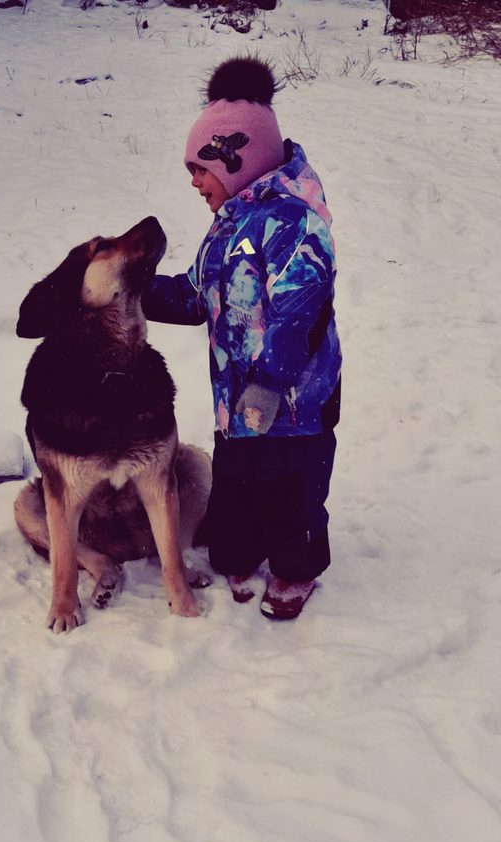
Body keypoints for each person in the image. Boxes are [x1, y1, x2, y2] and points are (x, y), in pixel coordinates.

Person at [142, 57, 342, 620]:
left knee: (291, 496)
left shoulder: (297, 222)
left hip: (295, 406)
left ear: (236, 157)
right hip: (236, 404)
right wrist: (133, 291)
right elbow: (196, 296)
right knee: (240, 498)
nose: (194, 181)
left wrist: (270, 384)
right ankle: (245, 546)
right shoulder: (229, 224)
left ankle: (296, 569)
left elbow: (299, 311)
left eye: (199, 168)